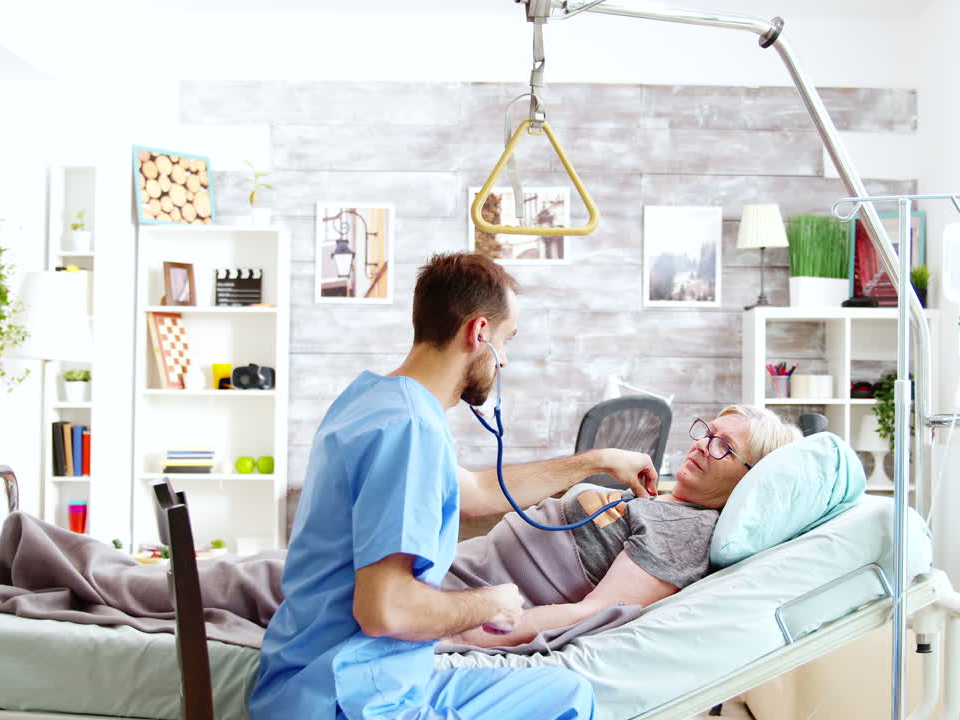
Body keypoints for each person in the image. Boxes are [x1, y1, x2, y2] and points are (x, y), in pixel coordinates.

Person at [249, 253, 659, 720]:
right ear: (479, 332)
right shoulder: (410, 429)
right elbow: (385, 610)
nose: (503, 360)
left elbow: (477, 491)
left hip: (361, 673)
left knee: (567, 694)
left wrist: (597, 462)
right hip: (350, 697)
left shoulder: (377, 398)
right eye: (505, 342)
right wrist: (489, 604)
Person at [444, 405, 803, 649]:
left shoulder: (686, 532)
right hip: (454, 568)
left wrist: (457, 637)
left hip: (460, 597)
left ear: (749, 478)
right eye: (707, 432)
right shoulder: (662, 500)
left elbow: (591, 612)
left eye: (723, 446)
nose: (701, 446)